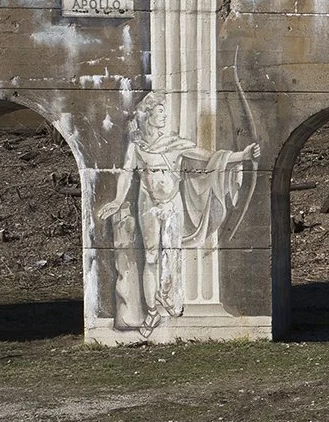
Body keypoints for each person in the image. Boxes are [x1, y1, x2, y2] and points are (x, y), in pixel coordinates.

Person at [98, 91, 261, 329]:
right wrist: (117, 200)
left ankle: (168, 295)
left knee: (171, 252)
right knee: (151, 257)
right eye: (160, 111)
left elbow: (209, 158)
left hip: (172, 204)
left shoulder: (173, 144)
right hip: (148, 204)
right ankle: (152, 310)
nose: (164, 116)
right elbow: (126, 172)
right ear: (148, 116)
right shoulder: (137, 146)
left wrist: (242, 156)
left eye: (165, 111)